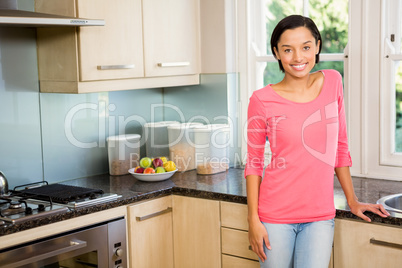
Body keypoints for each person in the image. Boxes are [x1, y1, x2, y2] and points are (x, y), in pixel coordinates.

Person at [245, 15, 390, 268]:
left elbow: (339, 147)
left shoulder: (333, 81)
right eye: (288, 49)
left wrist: (352, 200)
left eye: (306, 47)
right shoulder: (261, 100)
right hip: (275, 215)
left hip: (320, 216)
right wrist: (253, 221)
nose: (298, 57)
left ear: (318, 46)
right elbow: (254, 163)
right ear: (276, 52)